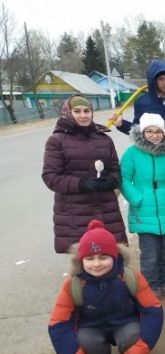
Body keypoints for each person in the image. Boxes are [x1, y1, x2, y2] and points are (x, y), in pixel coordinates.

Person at [48, 220, 163, 354]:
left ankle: (135, 353)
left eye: (103, 257)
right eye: (90, 258)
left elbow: (153, 310)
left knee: (133, 333)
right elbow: (58, 325)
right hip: (92, 328)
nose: (96, 264)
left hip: (125, 324)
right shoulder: (73, 284)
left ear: (115, 256)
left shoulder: (130, 277)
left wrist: (142, 348)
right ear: (81, 261)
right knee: (85, 339)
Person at [42, 94, 127, 254]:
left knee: (111, 259)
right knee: (86, 263)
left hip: (106, 210)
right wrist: (81, 183)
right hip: (75, 214)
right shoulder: (57, 140)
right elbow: (50, 177)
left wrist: (112, 181)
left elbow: (115, 169)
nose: (83, 115)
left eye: (87, 111)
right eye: (77, 111)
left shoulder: (104, 139)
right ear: (68, 113)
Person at [120, 113, 165, 298]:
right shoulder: (132, 153)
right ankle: (150, 284)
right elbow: (123, 178)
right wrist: (136, 198)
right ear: (142, 132)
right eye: (149, 131)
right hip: (142, 209)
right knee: (149, 252)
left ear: (163, 133)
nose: (154, 135)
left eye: (158, 132)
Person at [112, 60, 165, 152]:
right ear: (153, 80)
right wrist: (121, 124)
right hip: (154, 156)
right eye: (161, 79)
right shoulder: (142, 102)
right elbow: (137, 130)